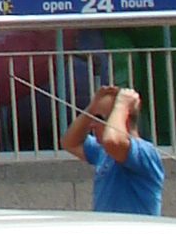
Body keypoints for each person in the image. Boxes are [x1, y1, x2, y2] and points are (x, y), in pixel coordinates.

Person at [62, 79, 166, 215]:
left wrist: (122, 105)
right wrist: (92, 107)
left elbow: (113, 141)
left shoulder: (145, 153)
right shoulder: (103, 151)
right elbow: (70, 142)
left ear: (123, 118)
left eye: (100, 118)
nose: (92, 125)